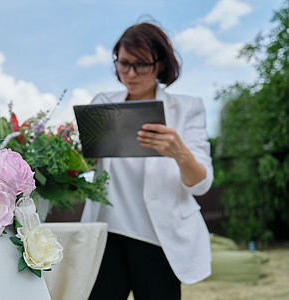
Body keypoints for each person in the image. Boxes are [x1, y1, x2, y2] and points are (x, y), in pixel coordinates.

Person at [81, 21, 214, 300]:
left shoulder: (187, 108)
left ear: (160, 65)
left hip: (158, 238)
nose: (130, 73)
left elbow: (201, 184)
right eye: (124, 63)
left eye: (141, 64)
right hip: (108, 233)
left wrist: (180, 152)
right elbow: (88, 168)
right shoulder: (102, 102)